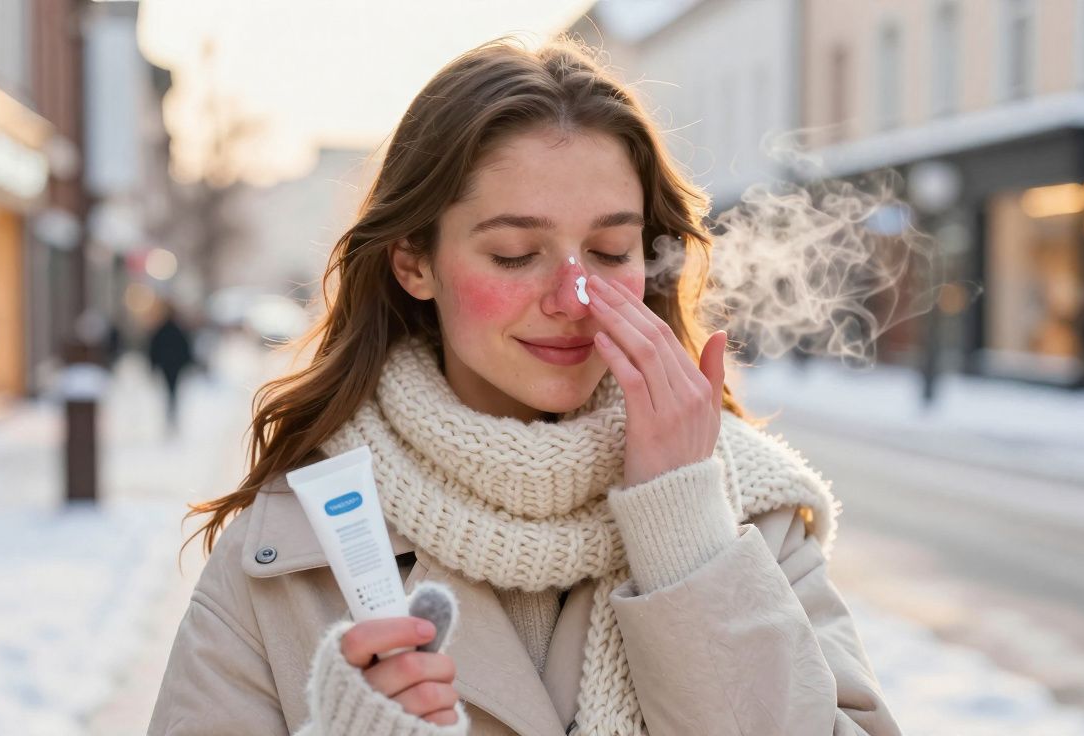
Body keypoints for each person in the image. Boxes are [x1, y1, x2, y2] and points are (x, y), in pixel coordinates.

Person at [149, 36, 900, 736]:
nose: (574, 297)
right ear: (414, 263)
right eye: (514, 253)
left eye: (610, 250)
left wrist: (684, 529)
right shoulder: (293, 549)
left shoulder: (745, 510)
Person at [146, 299, 195, 434]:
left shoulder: (162, 330)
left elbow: (154, 349)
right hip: (174, 365)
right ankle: (172, 413)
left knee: (170, 389)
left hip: (167, 365)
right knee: (172, 390)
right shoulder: (176, 329)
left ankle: (170, 414)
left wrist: (153, 365)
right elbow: (184, 347)